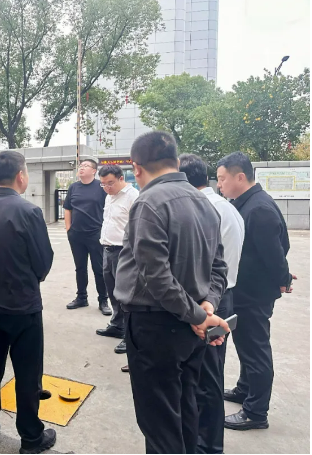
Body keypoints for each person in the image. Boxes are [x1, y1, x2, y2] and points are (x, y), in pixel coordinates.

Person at [114, 131, 230, 454]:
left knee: (160, 423)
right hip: (190, 329)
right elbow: (219, 267)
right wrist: (207, 306)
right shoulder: (204, 203)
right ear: (176, 162)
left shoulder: (148, 203)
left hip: (155, 327)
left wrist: (199, 315)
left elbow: (156, 276)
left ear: (136, 168)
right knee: (185, 409)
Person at [0, 150, 55, 454]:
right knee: (27, 374)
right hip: (22, 306)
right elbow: (43, 263)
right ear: (20, 175)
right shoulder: (29, 211)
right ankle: (31, 437)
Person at [216, 151, 294, 431]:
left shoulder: (258, 208)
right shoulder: (246, 203)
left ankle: (256, 412)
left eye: (222, 179)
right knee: (245, 345)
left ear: (240, 177)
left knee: (255, 349)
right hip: (245, 289)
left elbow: (276, 253)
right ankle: (244, 389)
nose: (219, 185)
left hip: (253, 294)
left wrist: (283, 278)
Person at [180, 154, 245, 453]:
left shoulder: (200, 208)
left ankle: (206, 446)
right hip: (222, 295)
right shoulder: (227, 207)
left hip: (208, 303)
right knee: (211, 375)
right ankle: (209, 443)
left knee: (204, 380)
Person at [95, 164, 139, 360]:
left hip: (124, 251)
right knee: (112, 291)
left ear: (122, 178)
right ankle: (116, 325)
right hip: (107, 249)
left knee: (126, 295)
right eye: (103, 184)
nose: (107, 188)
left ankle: (128, 336)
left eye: (110, 183)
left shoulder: (133, 197)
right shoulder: (109, 196)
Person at [63, 159, 109, 314]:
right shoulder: (74, 187)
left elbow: (108, 208)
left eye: (86, 166)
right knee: (80, 268)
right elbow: (67, 208)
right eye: (81, 166)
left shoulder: (101, 187)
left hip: (96, 234)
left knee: (99, 268)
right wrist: (69, 229)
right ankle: (81, 297)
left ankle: (103, 300)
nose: (81, 168)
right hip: (76, 235)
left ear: (94, 171)